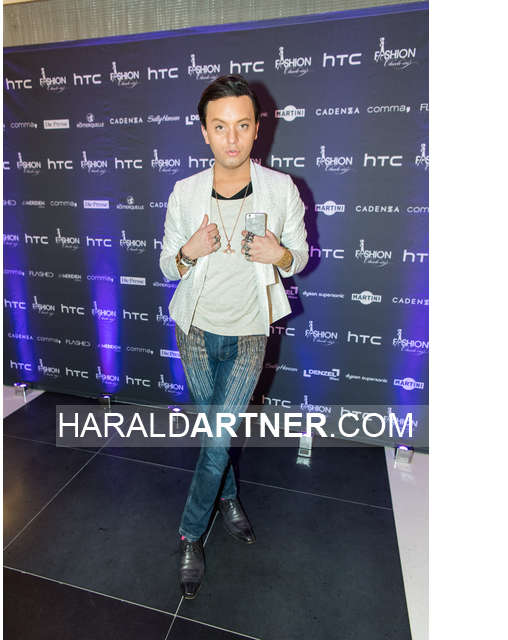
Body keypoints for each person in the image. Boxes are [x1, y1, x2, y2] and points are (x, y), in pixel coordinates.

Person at [159, 74, 309, 599]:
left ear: (256, 128)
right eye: (220, 127)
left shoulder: (281, 188)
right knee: (214, 433)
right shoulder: (184, 192)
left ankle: (189, 534)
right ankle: (228, 498)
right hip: (195, 331)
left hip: (248, 329)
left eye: (242, 125)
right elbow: (167, 262)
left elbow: (299, 254)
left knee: (219, 434)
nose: (232, 138)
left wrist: (279, 254)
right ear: (204, 132)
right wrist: (189, 251)